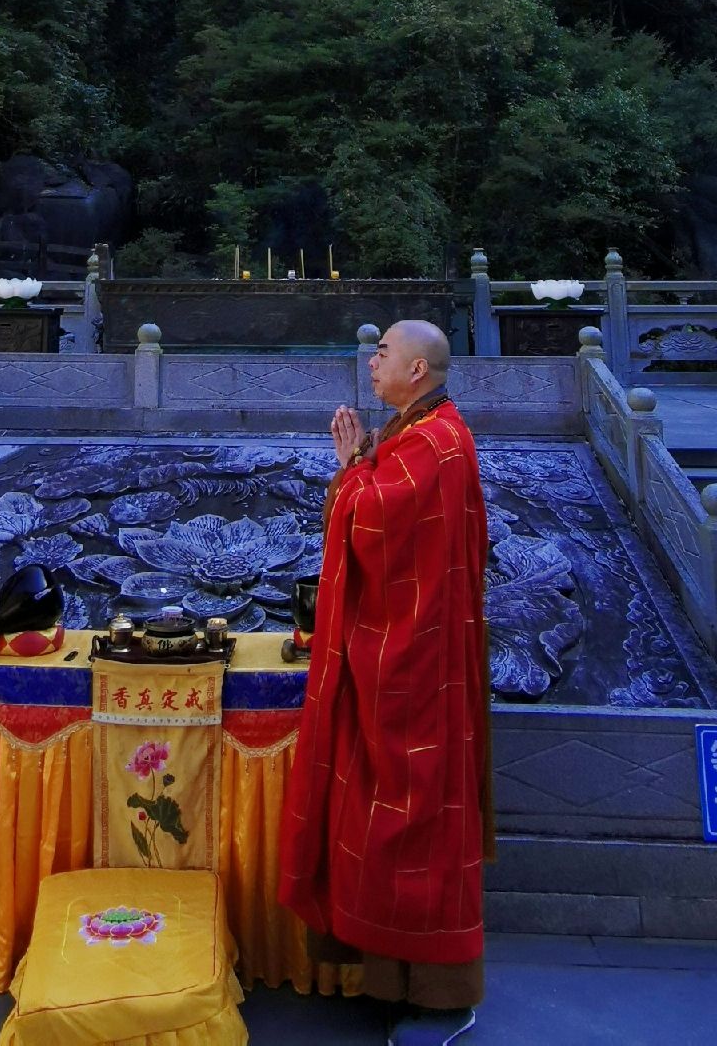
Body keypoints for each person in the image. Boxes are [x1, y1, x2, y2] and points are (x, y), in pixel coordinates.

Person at [279, 320, 491, 1046]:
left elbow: (371, 521)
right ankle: (394, 982)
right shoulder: (415, 433)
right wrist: (368, 459)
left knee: (415, 825)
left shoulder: (433, 443)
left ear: (420, 368)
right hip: (408, 655)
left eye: (383, 354)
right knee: (387, 823)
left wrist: (350, 468)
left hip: (416, 668)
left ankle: (441, 999)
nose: (372, 362)